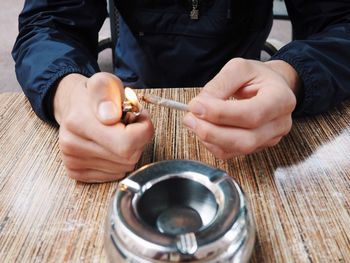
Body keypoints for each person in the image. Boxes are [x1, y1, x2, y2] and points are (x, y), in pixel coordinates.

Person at [13, 0, 350, 182]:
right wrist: (70, 93)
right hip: (134, 95)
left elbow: (341, 22)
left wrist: (289, 74)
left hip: (250, 101)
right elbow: (48, 22)